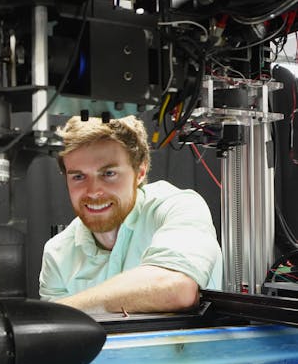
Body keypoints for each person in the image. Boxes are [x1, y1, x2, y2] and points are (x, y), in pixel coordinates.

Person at [39, 115, 223, 314]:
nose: (93, 191)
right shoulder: (57, 253)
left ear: (140, 172)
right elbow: (58, 338)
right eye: (78, 176)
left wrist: (61, 311)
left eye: (108, 174)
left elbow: (176, 289)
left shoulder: (177, 207)